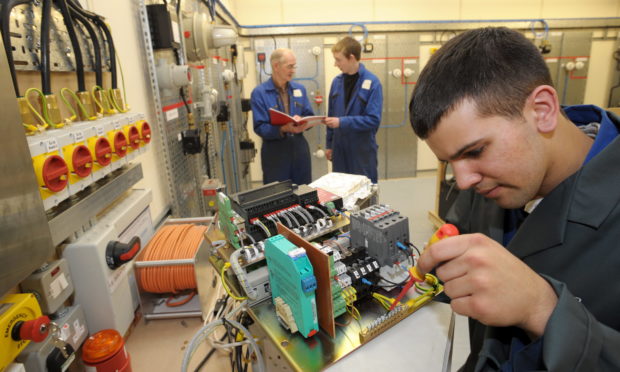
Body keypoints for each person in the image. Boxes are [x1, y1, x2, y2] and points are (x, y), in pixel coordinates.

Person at [409, 27, 620, 371]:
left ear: (542, 110)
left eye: (476, 151)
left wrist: (543, 311)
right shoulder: (493, 181)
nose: (463, 181)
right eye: (450, 162)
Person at [324, 36, 383, 183]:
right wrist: (329, 145)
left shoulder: (373, 83)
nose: (335, 64)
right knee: (340, 192)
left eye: (338, 59)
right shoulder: (336, 83)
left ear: (351, 58)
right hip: (339, 150)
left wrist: (342, 122)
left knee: (364, 194)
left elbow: (373, 119)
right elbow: (331, 115)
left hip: (361, 151)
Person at [251, 48, 314, 185]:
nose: (293, 71)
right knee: (278, 196)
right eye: (289, 67)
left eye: (294, 66)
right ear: (276, 66)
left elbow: (309, 114)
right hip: (275, 155)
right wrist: (283, 129)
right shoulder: (260, 93)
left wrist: (305, 122)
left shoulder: (299, 89)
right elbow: (260, 127)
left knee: (304, 192)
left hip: (300, 151)